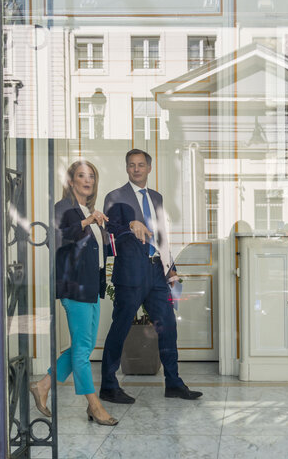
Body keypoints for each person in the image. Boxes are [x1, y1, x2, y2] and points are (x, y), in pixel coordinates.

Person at [99, 149, 202, 403]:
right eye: (132, 165)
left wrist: (171, 267)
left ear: (149, 168)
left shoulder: (156, 197)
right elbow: (107, 232)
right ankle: (109, 386)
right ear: (126, 168)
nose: (136, 169)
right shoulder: (115, 196)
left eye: (141, 165)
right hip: (131, 273)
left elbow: (161, 235)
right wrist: (129, 226)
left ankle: (174, 383)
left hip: (157, 272)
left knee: (167, 326)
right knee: (120, 328)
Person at [28, 160, 118, 426]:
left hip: (91, 287)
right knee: (81, 352)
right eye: (81, 175)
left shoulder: (85, 210)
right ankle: (94, 406)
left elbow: (97, 250)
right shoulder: (63, 208)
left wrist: (102, 226)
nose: (87, 180)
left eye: (91, 175)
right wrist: (87, 221)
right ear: (71, 181)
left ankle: (43, 385)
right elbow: (55, 239)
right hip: (74, 287)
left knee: (84, 346)